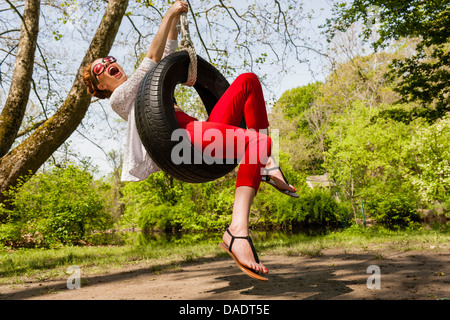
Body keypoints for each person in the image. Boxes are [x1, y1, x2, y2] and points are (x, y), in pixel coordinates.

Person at [83, 0, 297, 279]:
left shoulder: (144, 83)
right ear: (100, 85)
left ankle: (266, 164)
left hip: (201, 129)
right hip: (184, 139)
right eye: (102, 68)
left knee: (248, 80)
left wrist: (176, 20)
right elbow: (152, 57)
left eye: (111, 60)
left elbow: (168, 55)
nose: (110, 64)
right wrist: (169, 13)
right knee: (260, 144)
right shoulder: (119, 99)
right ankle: (237, 231)